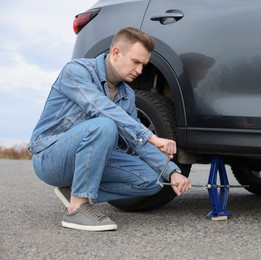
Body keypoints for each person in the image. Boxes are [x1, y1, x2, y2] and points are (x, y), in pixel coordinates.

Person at [29, 27, 192, 232]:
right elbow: (100, 108)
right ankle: (77, 208)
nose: (140, 70)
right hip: (50, 157)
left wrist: (171, 172)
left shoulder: (127, 95)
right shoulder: (76, 71)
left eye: (143, 64)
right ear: (116, 53)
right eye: (136, 61)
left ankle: (75, 190)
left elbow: (134, 141)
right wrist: (151, 136)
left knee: (152, 182)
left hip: (87, 158)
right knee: (105, 124)